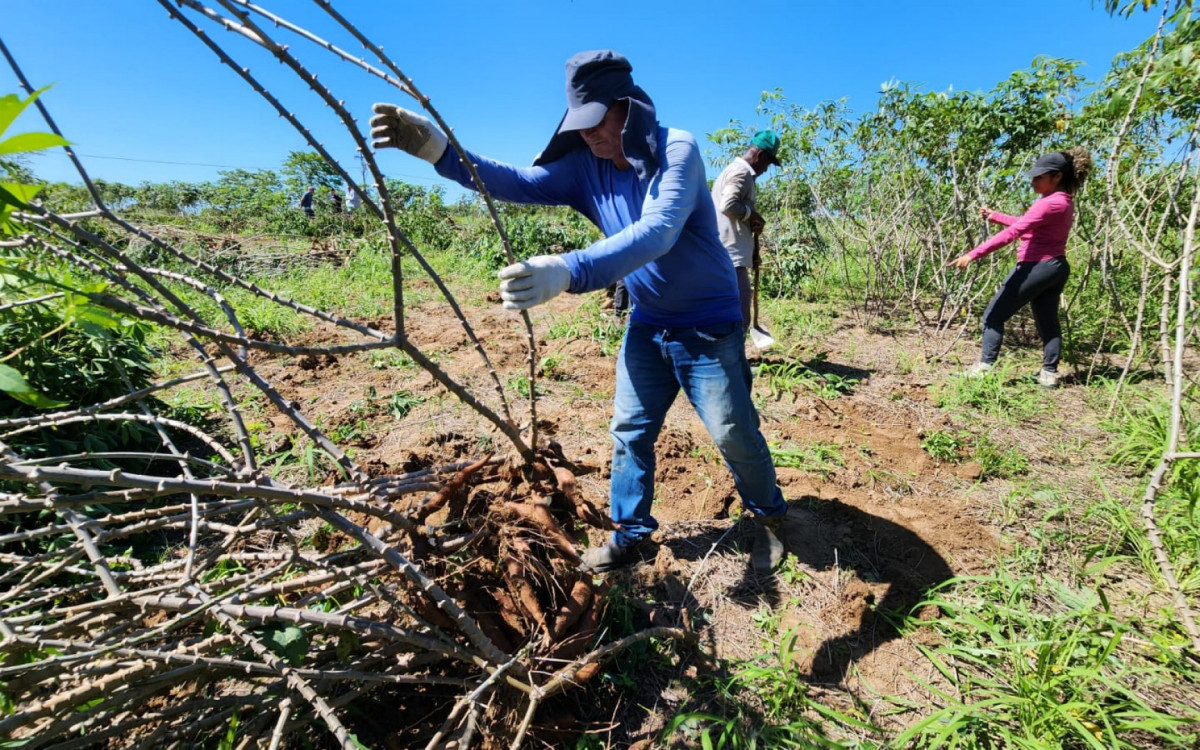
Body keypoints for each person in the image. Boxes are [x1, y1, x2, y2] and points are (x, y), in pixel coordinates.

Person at [371, 50, 792, 574]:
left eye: (597, 122)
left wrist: (569, 270)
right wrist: (441, 152)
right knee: (629, 430)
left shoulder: (677, 150)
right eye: (580, 125)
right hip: (647, 324)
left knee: (732, 431)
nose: (589, 135)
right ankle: (629, 533)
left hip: (708, 327)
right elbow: (516, 182)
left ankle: (770, 520)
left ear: (630, 110)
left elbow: (658, 231)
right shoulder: (583, 166)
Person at [948, 148, 1093, 388]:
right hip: (1055, 267)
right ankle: (1049, 374)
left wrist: (973, 254)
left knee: (993, 316)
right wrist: (996, 216)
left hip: (1037, 265)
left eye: (1039, 177)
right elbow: (1028, 225)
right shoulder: (1061, 202)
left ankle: (984, 368)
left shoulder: (1049, 203)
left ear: (1056, 177)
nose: (1033, 182)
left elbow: (1015, 233)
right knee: (1047, 320)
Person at [711, 130, 780, 325]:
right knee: (739, 315)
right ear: (760, 156)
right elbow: (728, 205)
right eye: (768, 163)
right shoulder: (741, 173)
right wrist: (752, 214)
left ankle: (731, 353)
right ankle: (735, 355)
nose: (766, 169)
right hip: (730, 256)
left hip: (726, 254)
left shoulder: (734, 171)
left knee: (731, 312)